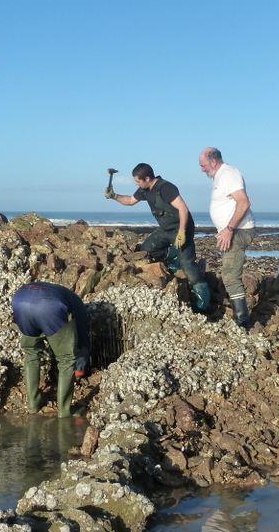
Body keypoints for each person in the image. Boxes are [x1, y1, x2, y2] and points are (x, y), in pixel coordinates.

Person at [104, 162, 211, 312]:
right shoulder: (144, 190)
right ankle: (176, 259)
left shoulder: (166, 188)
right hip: (165, 229)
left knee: (188, 265)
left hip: (181, 228)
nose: (136, 183)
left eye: (138, 180)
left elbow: (183, 209)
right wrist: (114, 196)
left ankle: (204, 303)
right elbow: (129, 201)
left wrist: (182, 232)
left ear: (147, 178)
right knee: (147, 248)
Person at [11, 281, 90, 418]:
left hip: (21, 298)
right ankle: (65, 412)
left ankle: (33, 404)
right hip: (49, 305)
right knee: (66, 359)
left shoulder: (63, 292)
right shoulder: (78, 304)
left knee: (31, 353)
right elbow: (82, 335)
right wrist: (80, 367)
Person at [198, 147, 255, 329]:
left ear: (213, 162)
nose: (202, 169)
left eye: (203, 165)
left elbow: (244, 202)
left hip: (238, 232)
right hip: (232, 232)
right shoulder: (220, 176)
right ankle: (239, 319)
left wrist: (229, 229)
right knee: (229, 275)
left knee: (230, 277)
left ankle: (242, 324)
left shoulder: (229, 174)